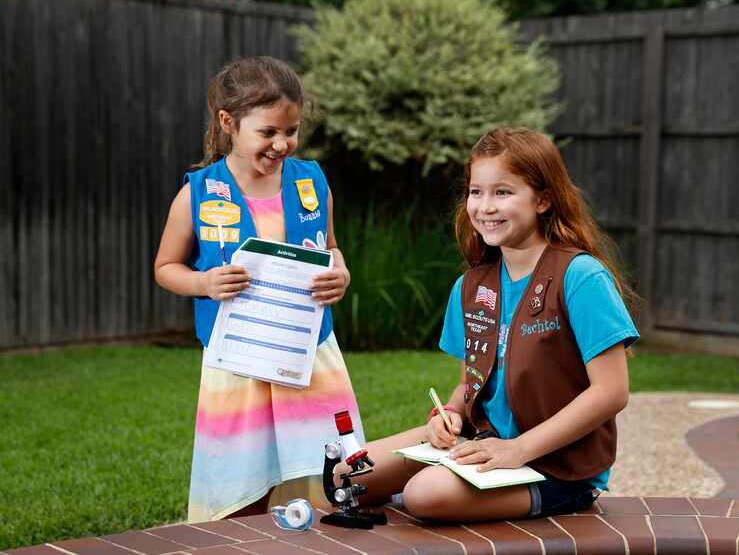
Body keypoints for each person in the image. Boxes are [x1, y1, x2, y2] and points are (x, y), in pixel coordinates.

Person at [349, 127, 639, 521]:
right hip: (484, 441)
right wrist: (448, 414)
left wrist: (517, 449)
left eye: (503, 192)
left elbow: (611, 392)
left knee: (424, 494)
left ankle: (563, 499)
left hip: (556, 465)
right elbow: (472, 382)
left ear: (543, 200)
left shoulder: (581, 276)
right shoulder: (472, 286)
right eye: (476, 192)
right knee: (350, 476)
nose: (485, 206)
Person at [154, 56, 363, 522]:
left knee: (325, 478)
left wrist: (340, 274)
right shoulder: (200, 193)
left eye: (291, 130)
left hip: (308, 356)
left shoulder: (311, 182)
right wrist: (204, 282)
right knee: (238, 482)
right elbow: (165, 267)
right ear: (228, 122)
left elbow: (330, 248)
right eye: (268, 132)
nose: (282, 143)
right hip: (239, 364)